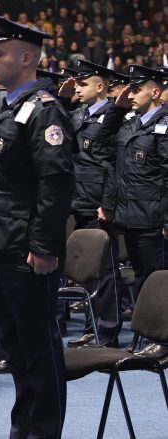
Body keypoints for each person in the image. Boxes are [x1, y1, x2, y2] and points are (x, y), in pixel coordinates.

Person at [0, 16, 75, 438]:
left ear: (26, 58)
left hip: (26, 251)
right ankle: (22, 430)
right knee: (16, 352)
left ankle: (43, 432)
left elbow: (55, 183)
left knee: (39, 354)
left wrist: (45, 246)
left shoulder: (46, 111)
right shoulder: (1, 104)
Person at [56, 60, 128, 349]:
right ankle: (91, 328)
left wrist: (108, 204)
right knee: (85, 271)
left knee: (106, 272)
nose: (78, 88)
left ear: (100, 87)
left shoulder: (113, 116)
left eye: (83, 84)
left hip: (97, 202)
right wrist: (62, 98)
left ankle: (107, 332)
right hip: (77, 198)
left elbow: (113, 165)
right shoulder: (76, 114)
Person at [111, 64, 168, 359]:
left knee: (158, 279)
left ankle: (163, 340)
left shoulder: (165, 124)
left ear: (155, 92)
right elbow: (98, 145)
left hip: (153, 217)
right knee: (142, 279)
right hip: (130, 216)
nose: (129, 94)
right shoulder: (130, 123)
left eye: (136, 89)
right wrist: (117, 109)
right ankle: (149, 335)